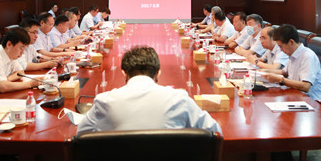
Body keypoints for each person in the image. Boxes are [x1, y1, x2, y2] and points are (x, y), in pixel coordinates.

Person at [77, 46, 222, 135]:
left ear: (124, 74)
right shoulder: (179, 99)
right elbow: (215, 132)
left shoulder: (105, 101)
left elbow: (80, 137)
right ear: (158, 74)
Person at [265, 24, 321, 101]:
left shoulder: (308, 56)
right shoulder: (292, 54)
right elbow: (284, 72)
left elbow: (305, 86)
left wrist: (281, 80)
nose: (280, 50)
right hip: (295, 96)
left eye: (281, 46)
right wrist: (266, 71)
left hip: (310, 101)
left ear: (291, 42)